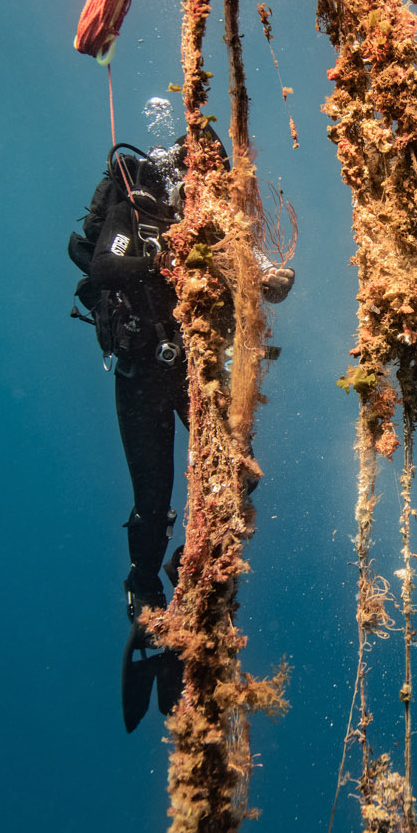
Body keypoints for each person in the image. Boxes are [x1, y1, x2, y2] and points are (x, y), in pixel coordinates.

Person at [68, 137, 294, 731]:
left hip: (192, 374)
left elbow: (246, 271)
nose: (202, 185)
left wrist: (267, 278)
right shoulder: (135, 210)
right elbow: (105, 265)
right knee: (153, 499)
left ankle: (189, 574)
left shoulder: (211, 226)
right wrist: (167, 259)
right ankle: (144, 588)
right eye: (198, 172)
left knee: (235, 475)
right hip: (142, 375)